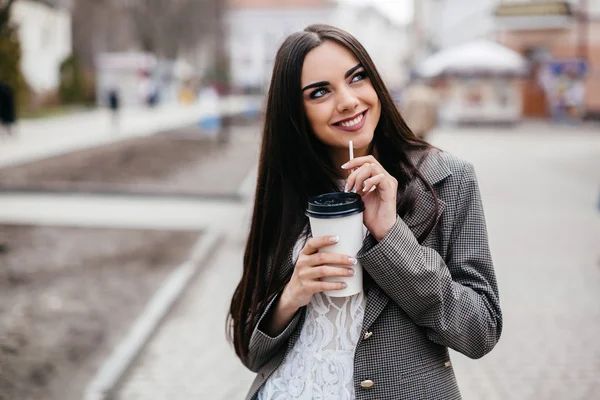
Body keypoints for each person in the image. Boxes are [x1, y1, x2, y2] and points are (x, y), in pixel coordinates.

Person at [228, 24, 502, 400]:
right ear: (295, 112)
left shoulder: (446, 180)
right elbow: (249, 350)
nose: (347, 101)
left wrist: (391, 237)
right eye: (320, 92)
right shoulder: (287, 190)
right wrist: (291, 296)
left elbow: (480, 330)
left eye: (356, 77)